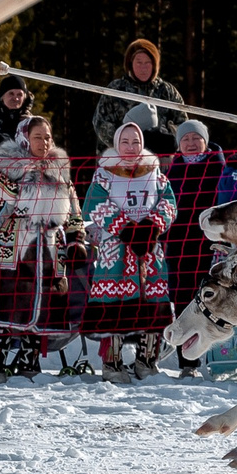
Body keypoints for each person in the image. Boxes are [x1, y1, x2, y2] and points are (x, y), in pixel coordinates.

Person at [0, 114, 81, 377]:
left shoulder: (60, 172)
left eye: (47, 137)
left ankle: (29, 363)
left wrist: (76, 240)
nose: (44, 143)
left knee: (42, 309)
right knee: (8, 310)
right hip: (13, 252)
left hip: (48, 253)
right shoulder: (7, 171)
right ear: (25, 138)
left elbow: (74, 213)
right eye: (37, 137)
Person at [83, 119, 176, 376]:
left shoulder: (155, 173)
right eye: (125, 141)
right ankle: (112, 362)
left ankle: (147, 360)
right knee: (114, 302)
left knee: (153, 300)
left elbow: (169, 204)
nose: (131, 147)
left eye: (136, 142)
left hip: (149, 248)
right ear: (116, 144)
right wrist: (125, 228)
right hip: (116, 250)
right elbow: (93, 204)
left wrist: (152, 226)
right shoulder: (104, 173)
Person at [159, 121, 226, 321]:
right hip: (179, 245)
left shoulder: (219, 167)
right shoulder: (172, 172)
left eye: (196, 138)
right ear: (179, 144)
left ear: (205, 141)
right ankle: (184, 345)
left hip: (211, 242)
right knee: (183, 297)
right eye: (185, 139)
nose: (191, 143)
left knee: (212, 293)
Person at [88, 38, 185, 153]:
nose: (143, 68)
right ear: (130, 63)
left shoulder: (167, 91)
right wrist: (126, 143)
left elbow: (183, 125)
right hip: (119, 160)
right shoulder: (116, 89)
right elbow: (100, 123)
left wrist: (167, 142)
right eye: (139, 62)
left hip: (159, 161)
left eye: (148, 62)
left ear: (154, 65)